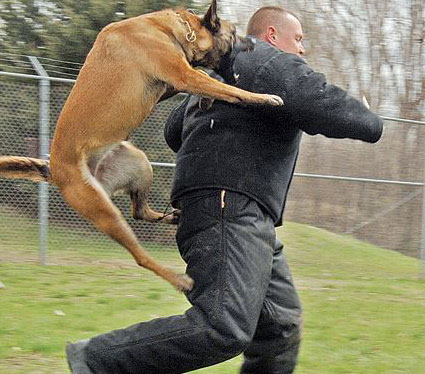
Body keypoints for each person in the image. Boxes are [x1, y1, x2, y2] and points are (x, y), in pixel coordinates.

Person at [66, 6, 383, 373]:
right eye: (298, 39)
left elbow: (174, 132)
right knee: (222, 327)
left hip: (239, 212)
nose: (303, 49)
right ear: (271, 35)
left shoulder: (221, 75)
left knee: (280, 325)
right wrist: (368, 120)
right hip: (230, 208)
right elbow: (317, 99)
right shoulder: (267, 61)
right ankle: (97, 361)